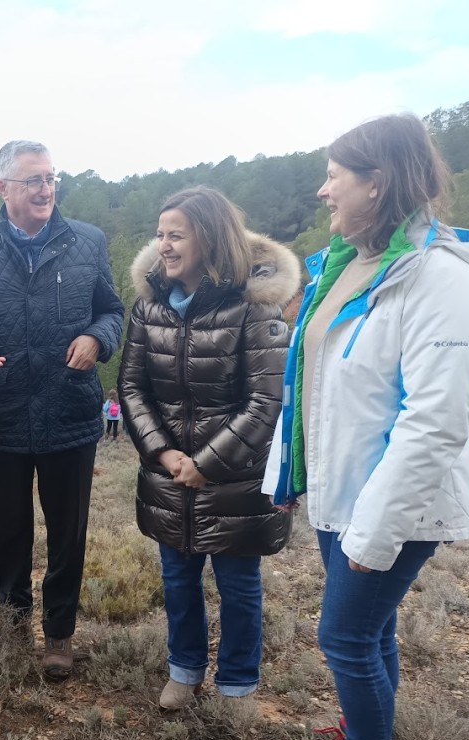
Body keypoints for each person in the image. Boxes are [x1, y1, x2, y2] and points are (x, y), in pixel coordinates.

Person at [263, 114, 469, 740]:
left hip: (393, 502)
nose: (324, 188)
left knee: (345, 637)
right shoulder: (350, 262)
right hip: (345, 488)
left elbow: (435, 420)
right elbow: (311, 377)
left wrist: (376, 531)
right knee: (372, 632)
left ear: (377, 181)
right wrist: (289, 473)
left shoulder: (440, 280)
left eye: (336, 174)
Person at [0, 140, 124, 681]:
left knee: (69, 532)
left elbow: (111, 310)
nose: (46, 190)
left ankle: (59, 633)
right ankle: (13, 618)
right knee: (11, 528)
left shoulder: (87, 241)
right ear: (3, 189)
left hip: (70, 411)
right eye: (33, 181)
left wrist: (97, 338)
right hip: (1, 414)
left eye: (51, 179)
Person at [118, 186, 298, 710]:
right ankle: (185, 669)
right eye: (160, 235)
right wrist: (163, 454)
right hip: (169, 474)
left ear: (211, 239)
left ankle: (238, 684)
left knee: (239, 585)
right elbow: (131, 388)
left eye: (177, 235)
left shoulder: (254, 307)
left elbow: (265, 401)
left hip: (237, 478)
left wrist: (207, 463)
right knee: (177, 580)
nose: (165, 246)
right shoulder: (149, 305)